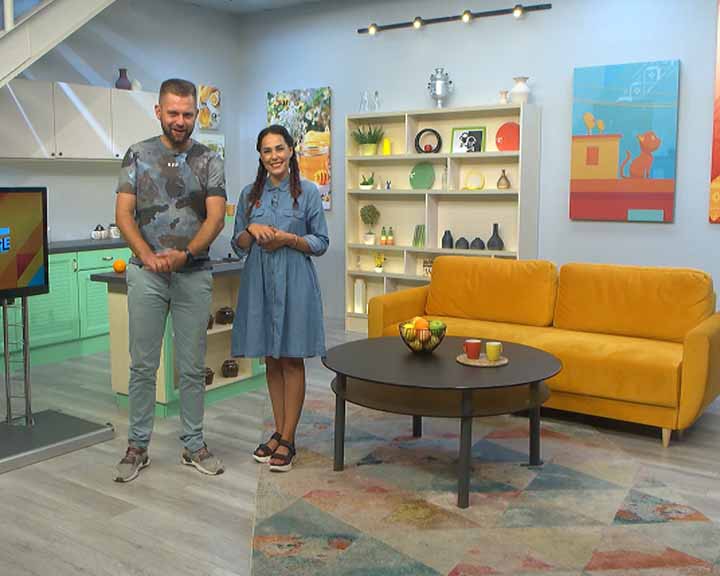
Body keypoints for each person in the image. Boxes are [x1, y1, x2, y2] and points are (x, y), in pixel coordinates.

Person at [113, 78, 226, 482]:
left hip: (193, 274)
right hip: (146, 274)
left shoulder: (209, 160)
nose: (180, 121)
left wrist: (186, 254)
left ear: (197, 115)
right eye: (173, 113)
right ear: (159, 111)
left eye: (188, 114)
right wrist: (147, 256)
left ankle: (194, 444)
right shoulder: (137, 154)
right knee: (143, 366)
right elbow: (123, 214)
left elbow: (216, 217)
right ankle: (137, 447)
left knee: (192, 366)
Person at [231, 124, 329, 472]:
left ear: (290, 151)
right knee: (271, 360)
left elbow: (321, 242)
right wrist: (250, 230)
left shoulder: (308, 192)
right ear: (260, 156)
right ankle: (279, 430)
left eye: (279, 148)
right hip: (259, 283)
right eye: (267, 150)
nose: (274, 156)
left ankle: (288, 438)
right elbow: (238, 244)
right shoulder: (249, 195)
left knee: (290, 359)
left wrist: (289, 238)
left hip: (295, 281)